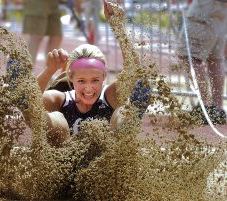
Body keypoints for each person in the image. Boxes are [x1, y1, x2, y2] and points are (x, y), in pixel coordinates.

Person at [12, 0, 149, 147]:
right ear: (71, 78)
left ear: (104, 76)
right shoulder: (59, 99)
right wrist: (49, 70)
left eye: (95, 80)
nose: (89, 88)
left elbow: (135, 74)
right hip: (62, 162)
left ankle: (129, 121)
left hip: (107, 161)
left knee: (123, 109)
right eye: (82, 81)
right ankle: (20, 82)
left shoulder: (110, 95)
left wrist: (119, 28)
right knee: (45, 115)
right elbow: (30, 104)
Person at [177, 0, 227, 125]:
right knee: (215, 58)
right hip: (221, 8)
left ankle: (206, 107)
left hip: (207, 6)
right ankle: (217, 108)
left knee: (189, 55)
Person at [22, 0, 62, 66]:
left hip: (54, 3)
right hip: (37, 3)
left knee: (56, 36)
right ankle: (27, 71)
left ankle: (48, 71)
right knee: (36, 36)